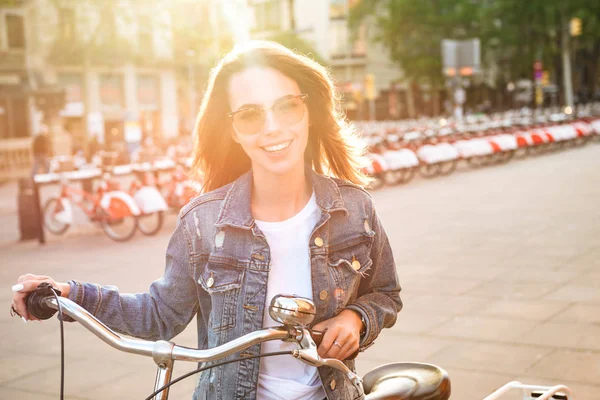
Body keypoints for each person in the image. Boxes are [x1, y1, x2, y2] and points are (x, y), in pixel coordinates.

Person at [11, 41, 402, 400]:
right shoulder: (203, 222)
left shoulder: (355, 210)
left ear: (309, 112)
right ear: (232, 129)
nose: (272, 127)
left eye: (287, 106)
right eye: (250, 114)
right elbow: (159, 315)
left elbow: (385, 293)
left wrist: (357, 318)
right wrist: (71, 296)